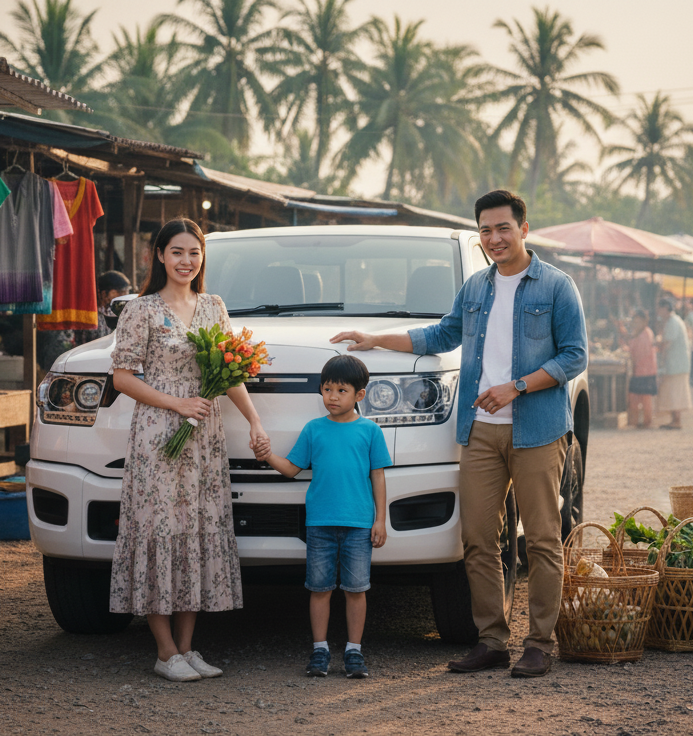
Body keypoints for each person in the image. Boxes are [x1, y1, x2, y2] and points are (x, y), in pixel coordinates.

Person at [330, 190, 587, 679]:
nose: (494, 238)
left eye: (503, 228)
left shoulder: (556, 286)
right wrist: (373, 339)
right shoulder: (475, 288)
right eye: (486, 230)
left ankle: (539, 643)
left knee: (542, 539)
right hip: (480, 433)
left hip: (538, 430)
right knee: (477, 540)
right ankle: (491, 641)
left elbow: (575, 356)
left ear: (524, 229)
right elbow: (441, 335)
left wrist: (515, 388)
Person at [109, 218, 269, 682]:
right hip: (159, 433)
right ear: (159, 255)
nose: (186, 261)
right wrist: (176, 402)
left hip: (203, 436)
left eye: (194, 253)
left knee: (194, 530)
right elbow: (122, 377)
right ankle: (163, 652)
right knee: (159, 529)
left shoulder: (213, 307)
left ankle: (186, 648)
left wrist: (255, 420)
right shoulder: (141, 310)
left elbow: (229, 371)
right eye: (177, 252)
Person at [255, 355, 389, 679]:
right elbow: (291, 468)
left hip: (359, 524)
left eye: (341, 390)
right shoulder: (314, 430)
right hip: (319, 524)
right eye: (327, 389)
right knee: (320, 588)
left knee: (357, 589)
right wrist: (267, 455)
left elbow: (379, 478)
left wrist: (380, 520)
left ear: (360, 394)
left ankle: (354, 651)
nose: (331, 396)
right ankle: (320, 650)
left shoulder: (370, 431)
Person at [654, 299, 691, 429]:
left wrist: (657, 348)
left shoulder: (673, 322)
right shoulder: (672, 321)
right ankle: (674, 419)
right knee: (674, 392)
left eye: (659, 309)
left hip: (677, 363)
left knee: (675, 392)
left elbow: (666, 344)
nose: (658, 312)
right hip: (677, 363)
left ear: (665, 308)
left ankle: (676, 420)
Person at [73, 270, 133, 345]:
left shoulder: (109, 312)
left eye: (126, 292)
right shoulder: (90, 315)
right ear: (104, 294)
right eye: (120, 292)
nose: (123, 296)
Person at [620, 309, 657, 429]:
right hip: (640, 370)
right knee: (635, 397)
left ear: (644, 321)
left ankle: (646, 421)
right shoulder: (639, 332)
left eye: (638, 321)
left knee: (644, 398)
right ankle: (635, 421)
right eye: (634, 321)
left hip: (645, 370)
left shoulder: (645, 334)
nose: (636, 323)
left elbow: (640, 353)